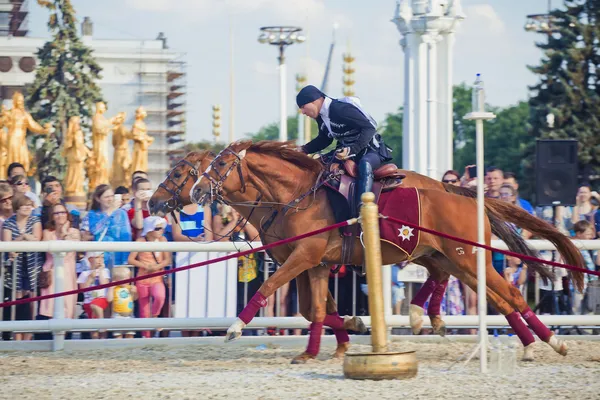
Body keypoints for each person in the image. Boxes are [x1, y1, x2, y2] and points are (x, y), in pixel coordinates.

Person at [296, 85, 392, 211]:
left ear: (314, 101)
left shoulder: (340, 109)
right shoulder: (321, 117)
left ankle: (363, 210)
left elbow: (369, 128)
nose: (303, 112)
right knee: (318, 164)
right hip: (348, 152)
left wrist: (352, 150)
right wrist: (303, 150)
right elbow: (325, 139)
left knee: (364, 164)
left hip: (371, 150)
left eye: (303, 107)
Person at [2, 194, 43, 340]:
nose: (27, 208)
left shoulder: (35, 220)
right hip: (15, 269)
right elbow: (8, 246)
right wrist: (24, 236)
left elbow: (37, 240)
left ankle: (28, 336)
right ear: (17, 207)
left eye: (29, 205)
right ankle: (16, 336)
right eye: (24, 205)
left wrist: (19, 239)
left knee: (31, 300)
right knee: (16, 301)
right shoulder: (8, 223)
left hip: (32, 267)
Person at [127, 216, 171, 338]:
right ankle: (146, 338)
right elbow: (130, 259)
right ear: (149, 228)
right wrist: (144, 265)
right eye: (157, 228)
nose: (161, 231)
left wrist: (157, 267)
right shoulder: (140, 241)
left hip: (157, 277)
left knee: (160, 296)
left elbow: (167, 260)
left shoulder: (163, 240)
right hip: (142, 278)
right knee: (144, 310)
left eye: (162, 228)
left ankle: (155, 316)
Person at [80, 184, 132, 268]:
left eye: (112, 196)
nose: (110, 199)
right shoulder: (92, 214)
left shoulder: (122, 213)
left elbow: (126, 236)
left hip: (117, 259)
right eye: (107, 197)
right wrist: (109, 212)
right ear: (98, 199)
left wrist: (125, 261)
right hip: (99, 260)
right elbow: (95, 231)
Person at [77, 252, 110, 339]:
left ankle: (102, 325)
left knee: (95, 305)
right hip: (88, 301)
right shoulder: (84, 274)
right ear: (90, 259)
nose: (100, 260)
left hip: (101, 299)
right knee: (93, 324)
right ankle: (95, 341)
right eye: (97, 257)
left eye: (102, 257)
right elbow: (82, 290)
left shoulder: (105, 271)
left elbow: (104, 284)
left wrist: (101, 271)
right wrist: (90, 278)